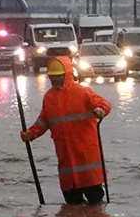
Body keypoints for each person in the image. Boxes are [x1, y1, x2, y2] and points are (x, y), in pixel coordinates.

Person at [20, 57, 112, 205]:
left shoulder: (83, 92)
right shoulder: (49, 97)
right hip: (66, 163)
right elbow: (44, 121)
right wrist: (31, 134)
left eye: (58, 76)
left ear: (67, 74)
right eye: (52, 76)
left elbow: (104, 103)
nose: (55, 79)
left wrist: (100, 110)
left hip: (87, 160)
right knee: (71, 210)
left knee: (96, 209)